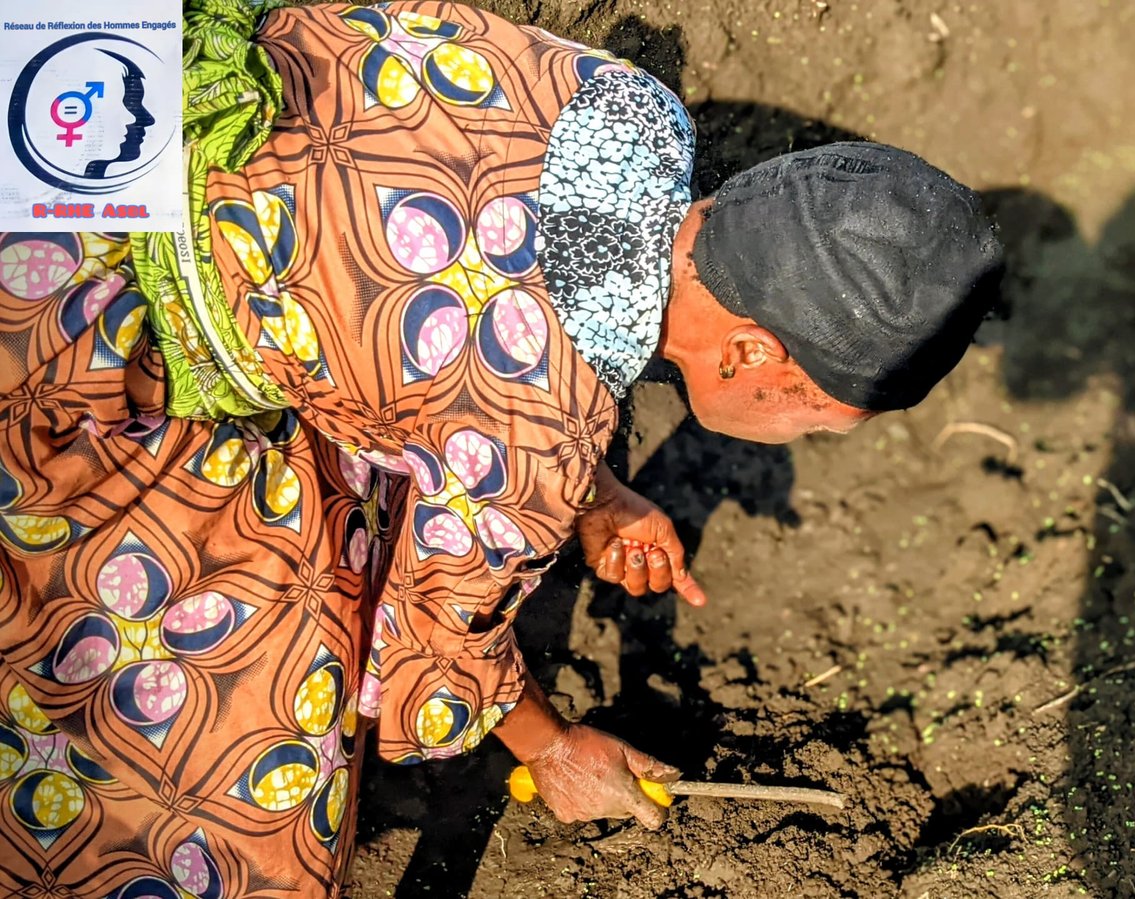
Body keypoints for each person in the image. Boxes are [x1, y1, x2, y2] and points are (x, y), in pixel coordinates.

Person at [0, 0, 1002, 895]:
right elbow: (434, 659)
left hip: (73, 79)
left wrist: (595, 490)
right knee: (235, 799)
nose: (813, 438)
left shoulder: (632, 113)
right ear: (754, 352)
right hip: (55, 308)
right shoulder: (534, 446)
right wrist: (552, 744)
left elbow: (481, 324)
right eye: (824, 417)